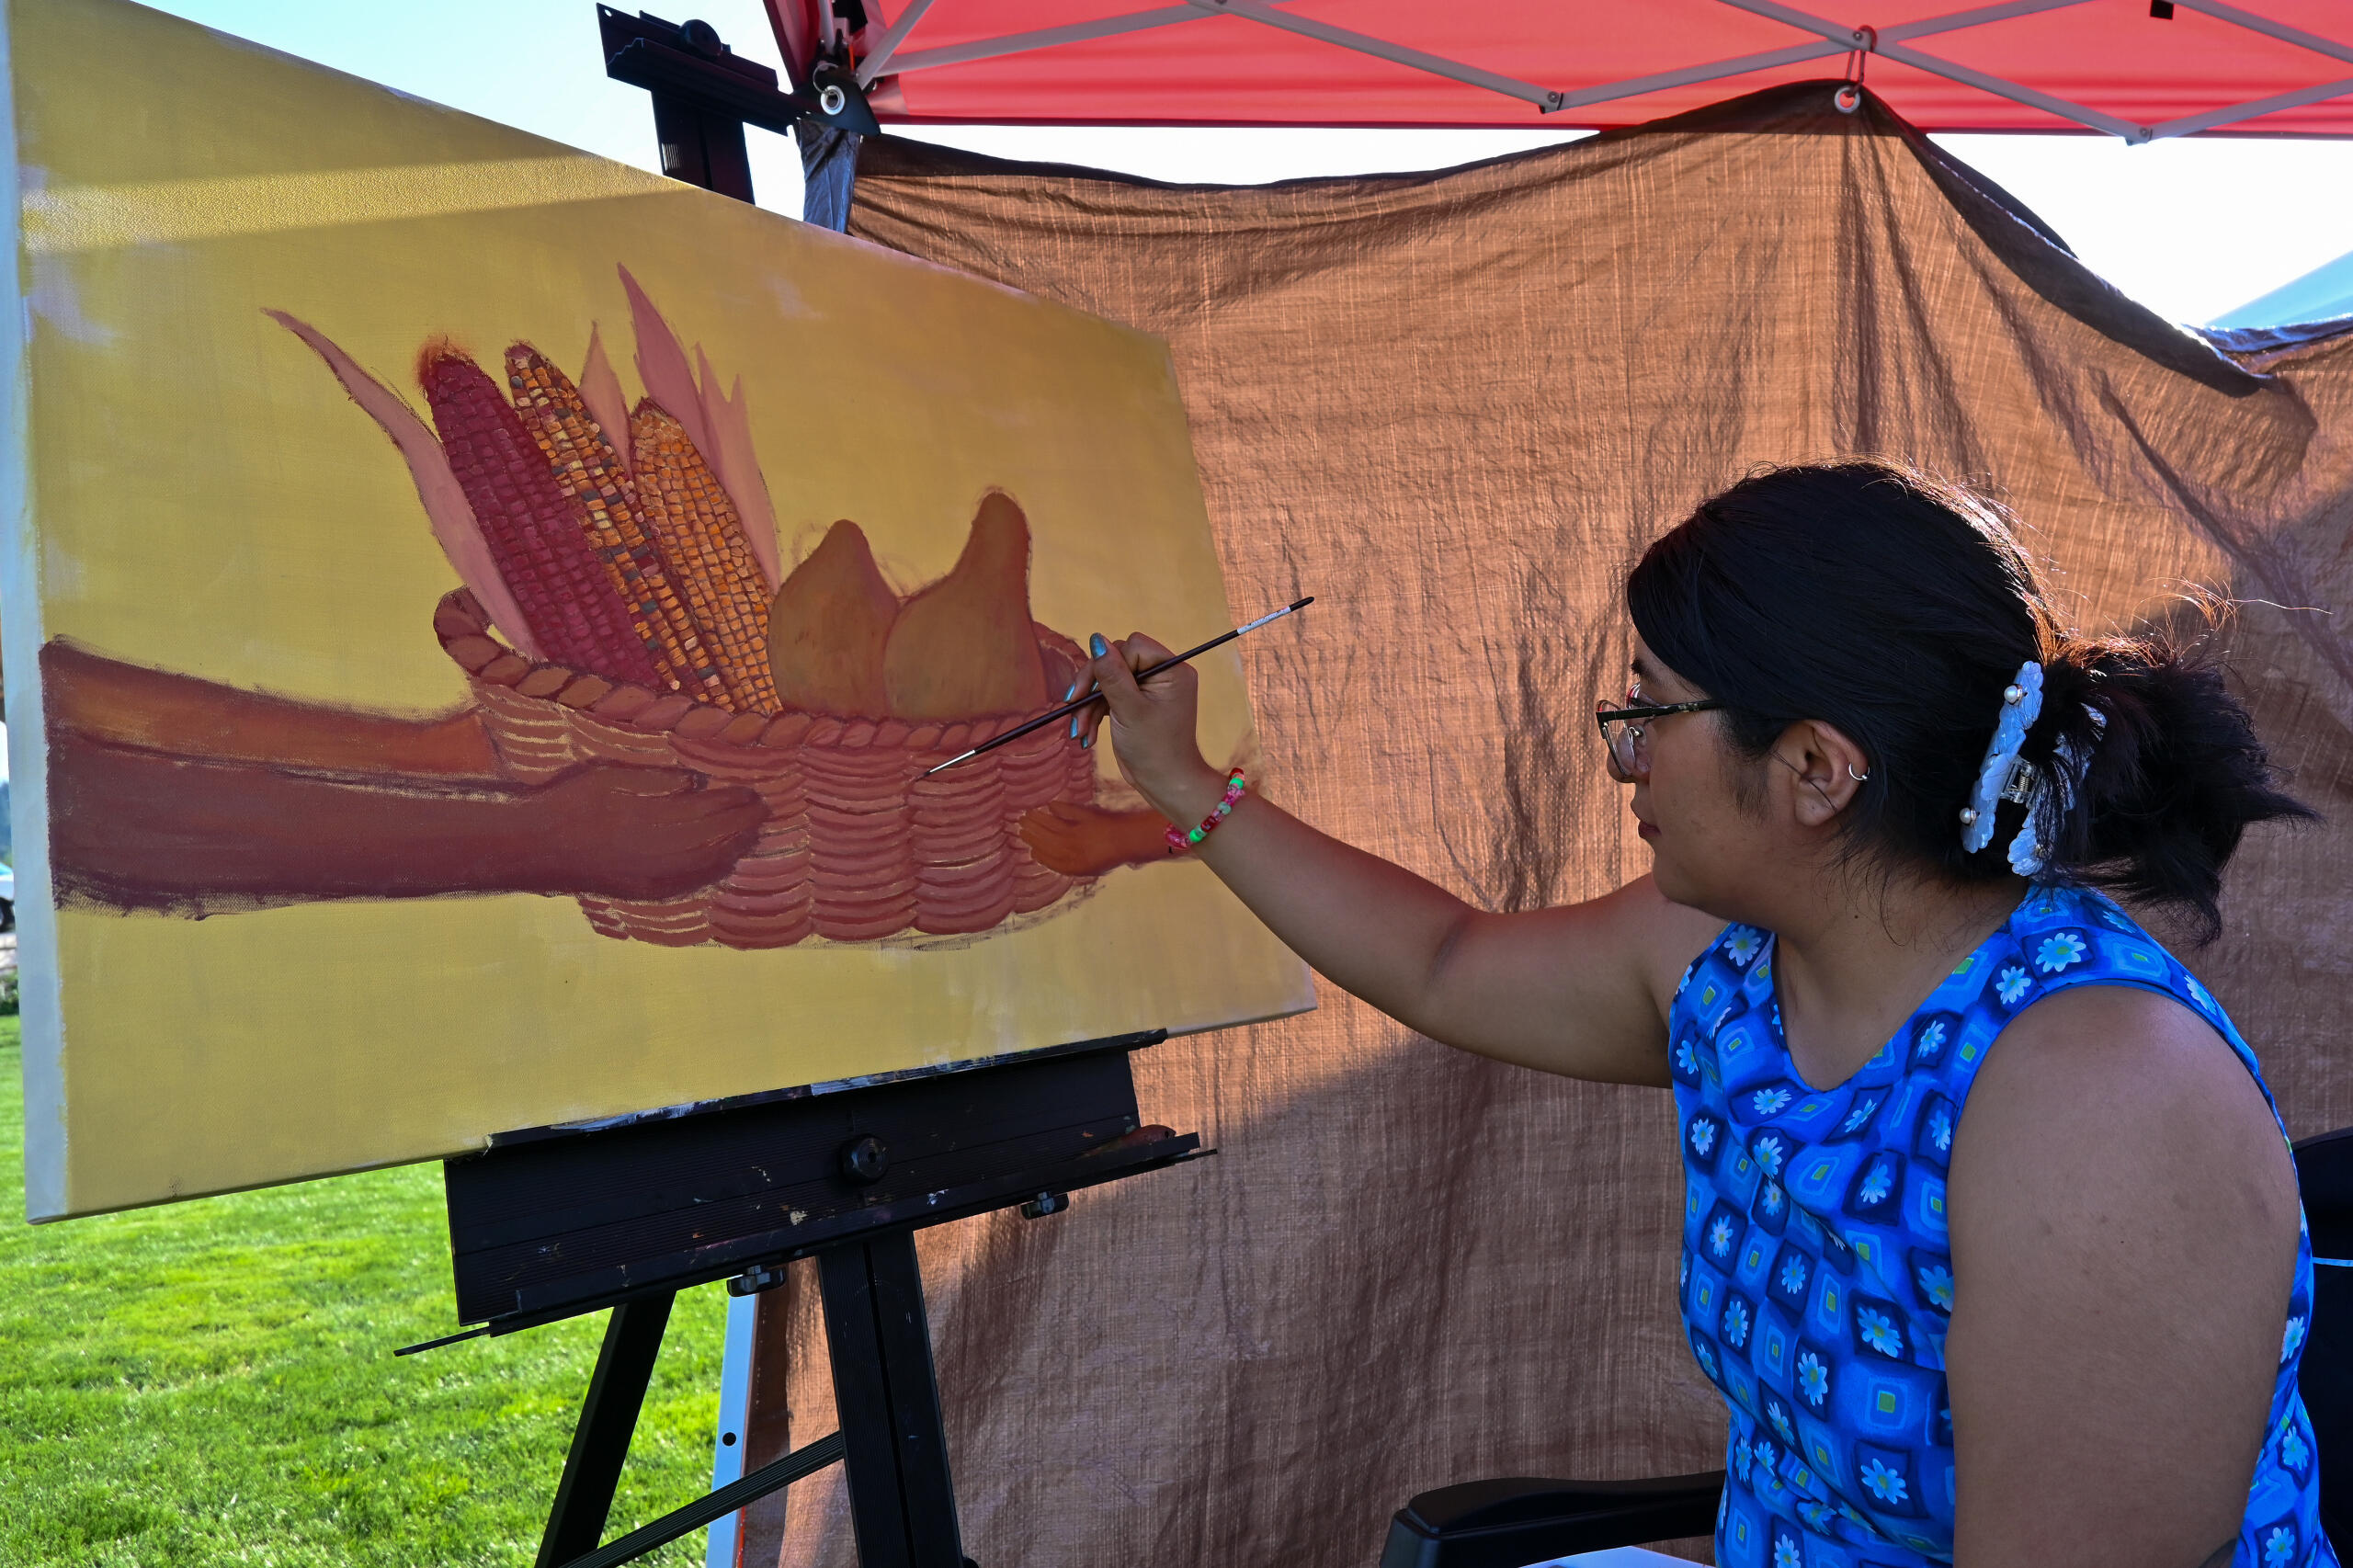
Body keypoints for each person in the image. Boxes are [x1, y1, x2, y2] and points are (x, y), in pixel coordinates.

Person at [1076, 460, 2331, 1568]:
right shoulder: (1732, 961)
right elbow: (1444, 961)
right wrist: (1183, 782)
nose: (1623, 756)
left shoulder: (2104, 1103)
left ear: (1815, 770)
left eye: (1649, 710)